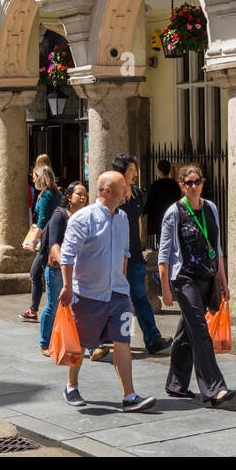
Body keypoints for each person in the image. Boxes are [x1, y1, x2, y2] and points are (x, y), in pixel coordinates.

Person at [58, 170, 156, 412]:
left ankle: (129, 395)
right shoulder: (83, 219)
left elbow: (124, 252)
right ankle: (71, 385)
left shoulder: (123, 219)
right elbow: (67, 256)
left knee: (123, 340)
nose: (128, 192)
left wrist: (121, 281)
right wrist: (68, 287)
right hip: (89, 294)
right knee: (82, 342)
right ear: (108, 191)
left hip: (118, 294)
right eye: (124, 188)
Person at [158, 164, 234, 406]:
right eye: (188, 182)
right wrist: (166, 288)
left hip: (207, 278)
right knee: (201, 332)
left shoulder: (210, 208)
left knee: (185, 334)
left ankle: (176, 385)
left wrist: (223, 281)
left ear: (203, 182)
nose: (194, 186)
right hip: (185, 279)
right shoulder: (174, 212)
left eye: (197, 181)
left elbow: (217, 249)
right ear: (181, 185)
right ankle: (214, 388)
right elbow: (164, 253)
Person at [91, 154, 171, 359]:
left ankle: (152, 339)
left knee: (140, 298)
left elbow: (138, 222)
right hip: (113, 260)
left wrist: (140, 247)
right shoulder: (111, 197)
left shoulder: (136, 194)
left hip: (134, 257)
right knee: (108, 300)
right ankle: (98, 341)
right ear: (120, 173)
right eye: (131, 170)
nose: (135, 174)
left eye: (136, 170)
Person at [40, 180, 88, 354]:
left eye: (85, 194)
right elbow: (54, 243)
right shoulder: (60, 215)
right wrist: (63, 263)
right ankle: (45, 343)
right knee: (53, 305)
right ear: (69, 197)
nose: (83, 197)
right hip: (57, 269)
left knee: (80, 307)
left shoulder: (84, 216)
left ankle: (87, 347)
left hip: (79, 269)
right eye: (79, 194)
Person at [20, 164, 61, 320]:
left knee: (40, 274)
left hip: (46, 240)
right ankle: (35, 310)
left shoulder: (45, 196)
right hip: (54, 238)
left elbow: (42, 221)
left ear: (41, 178)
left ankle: (40, 310)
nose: (33, 178)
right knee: (40, 273)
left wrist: (33, 240)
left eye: (35, 176)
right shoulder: (56, 193)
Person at [144, 160, 181, 246]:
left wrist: (143, 211)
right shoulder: (174, 184)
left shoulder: (156, 185)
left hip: (159, 218)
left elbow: (151, 201)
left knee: (161, 242)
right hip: (172, 217)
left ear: (160, 171)